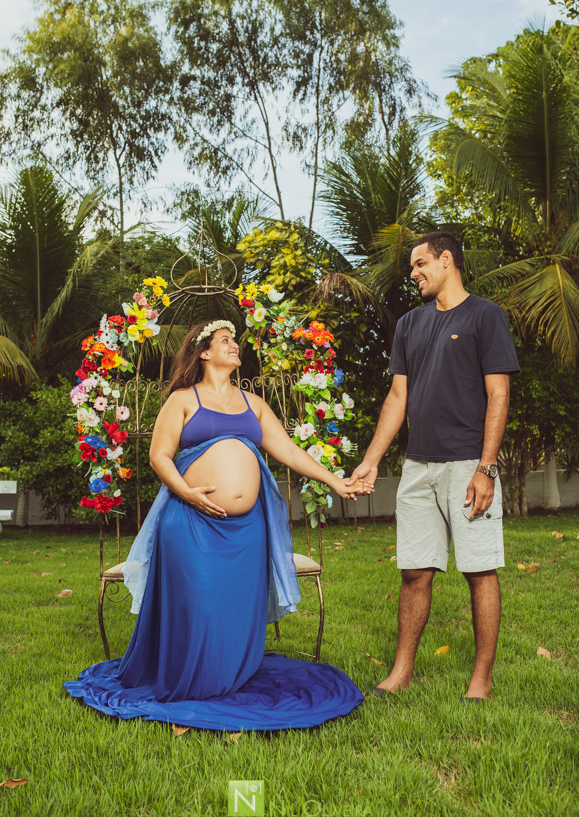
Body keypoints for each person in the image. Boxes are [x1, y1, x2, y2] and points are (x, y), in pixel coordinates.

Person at [65, 320, 371, 730]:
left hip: (247, 533)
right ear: (204, 352)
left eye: (234, 341)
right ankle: (192, 687)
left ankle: (227, 680)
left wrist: (337, 481)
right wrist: (186, 492)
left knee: (232, 612)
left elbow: (289, 452)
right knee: (201, 605)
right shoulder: (182, 400)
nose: (234, 346)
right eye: (225, 340)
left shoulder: (254, 402)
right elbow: (160, 456)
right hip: (190, 520)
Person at [348, 232, 520, 702]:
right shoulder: (408, 325)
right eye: (411, 266)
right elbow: (398, 397)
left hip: (467, 464)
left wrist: (487, 468)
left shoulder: (485, 316)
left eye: (420, 263)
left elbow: (498, 394)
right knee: (414, 572)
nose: (413, 272)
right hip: (418, 467)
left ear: (448, 260)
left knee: (479, 569)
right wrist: (371, 460)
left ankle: (481, 678)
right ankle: (401, 672)